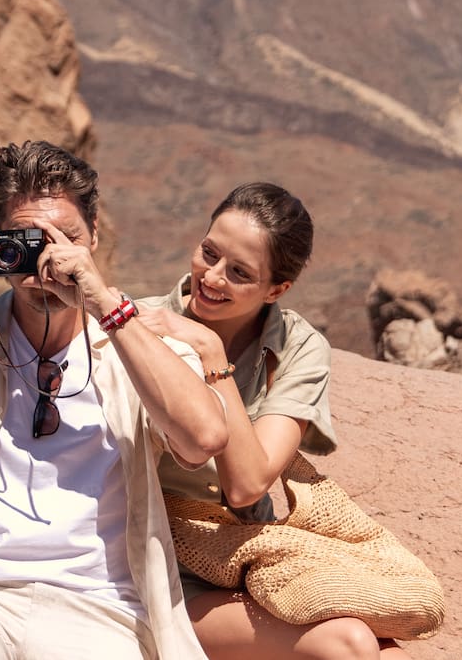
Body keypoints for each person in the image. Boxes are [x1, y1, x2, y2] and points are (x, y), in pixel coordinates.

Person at [0, 140, 228, 660]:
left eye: (65, 240)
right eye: (26, 244)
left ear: (94, 237)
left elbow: (203, 439)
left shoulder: (139, 337)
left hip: (101, 611)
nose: (46, 264)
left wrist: (104, 304)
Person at [138, 183, 409, 660]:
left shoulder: (299, 349)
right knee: (349, 645)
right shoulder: (138, 327)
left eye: (239, 272)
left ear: (276, 290)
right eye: (209, 253)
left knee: (379, 647)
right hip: (161, 568)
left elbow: (248, 483)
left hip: (250, 560)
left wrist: (211, 354)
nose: (213, 277)